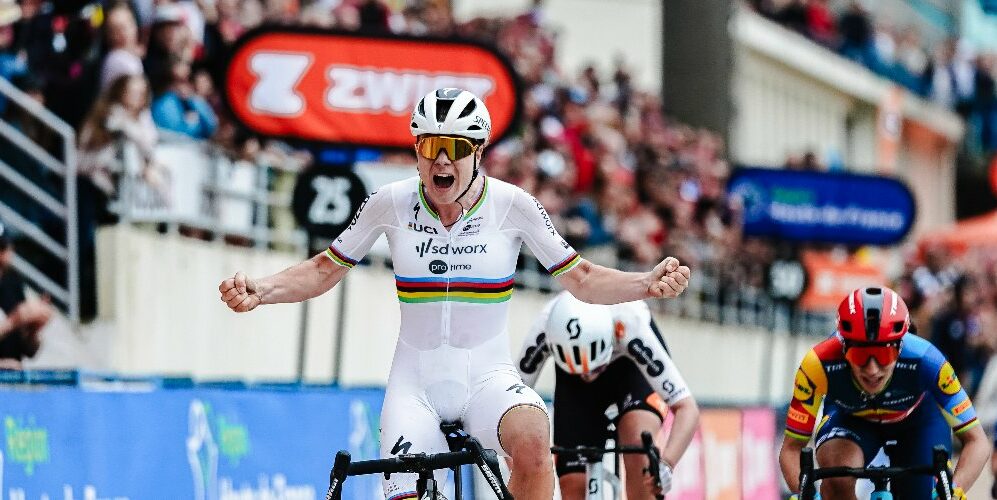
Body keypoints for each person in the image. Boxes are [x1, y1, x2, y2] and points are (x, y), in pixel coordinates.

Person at [218, 88, 692, 500]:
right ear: (417, 150)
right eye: (430, 146)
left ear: (479, 151)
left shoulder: (513, 206)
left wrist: (644, 283)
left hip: (488, 380)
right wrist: (263, 290)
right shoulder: (390, 203)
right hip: (415, 387)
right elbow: (324, 269)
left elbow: (583, 278)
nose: (442, 160)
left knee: (532, 438)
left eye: (455, 148)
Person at [778, 287, 990, 500]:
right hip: (851, 419)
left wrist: (954, 490)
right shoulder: (818, 365)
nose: (872, 369)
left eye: (883, 353)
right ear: (843, 348)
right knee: (837, 479)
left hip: (917, 422)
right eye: (860, 354)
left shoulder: (928, 361)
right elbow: (791, 448)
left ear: (900, 347)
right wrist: (805, 493)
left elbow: (977, 441)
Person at [516, 291, 699, 499]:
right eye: (582, 372)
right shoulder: (546, 326)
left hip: (629, 368)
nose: (587, 375)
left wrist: (667, 465)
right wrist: (518, 464)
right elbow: (511, 404)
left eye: (593, 369)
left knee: (639, 448)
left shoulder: (629, 322)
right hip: (572, 382)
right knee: (574, 485)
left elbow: (686, 408)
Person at [0, 222, 53, 370]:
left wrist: (33, 329)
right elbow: (12, 322)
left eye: (5, 246)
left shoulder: (12, 281)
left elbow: (30, 351)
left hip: (13, 384)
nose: (5, 252)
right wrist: (13, 321)